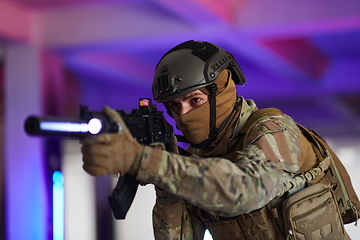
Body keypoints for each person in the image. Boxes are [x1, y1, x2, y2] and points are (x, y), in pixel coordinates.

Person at [81, 40, 351, 239]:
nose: (184, 114)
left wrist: (149, 162)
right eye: (175, 106)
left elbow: (247, 189)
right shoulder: (198, 165)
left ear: (221, 93)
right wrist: (164, 182)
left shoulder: (274, 130)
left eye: (195, 100)